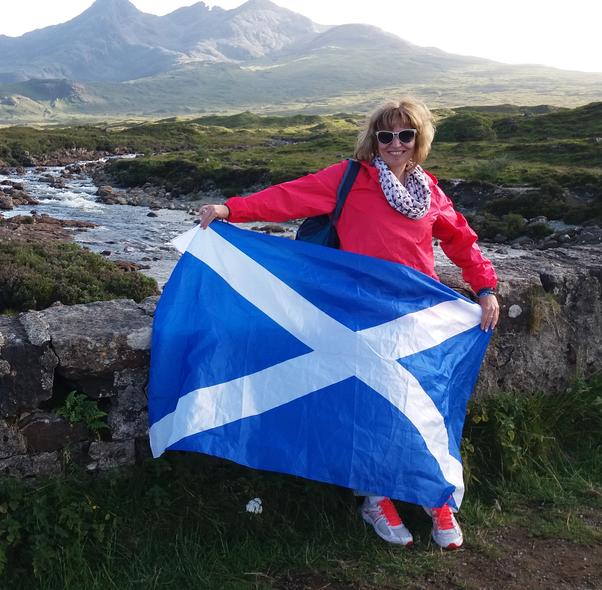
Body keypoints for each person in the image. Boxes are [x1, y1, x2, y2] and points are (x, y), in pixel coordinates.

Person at [196, 97, 499, 549]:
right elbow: (287, 197)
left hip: (415, 313)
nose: (396, 143)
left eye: (405, 135)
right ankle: (376, 498)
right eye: (386, 135)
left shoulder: (429, 190)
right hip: (360, 312)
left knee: (421, 402)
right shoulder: (350, 178)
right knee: (374, 405)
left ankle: (433, 493)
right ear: (373, 140)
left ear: (419, 140)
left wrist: (485, 286)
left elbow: (460, 239)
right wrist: (229, 210)